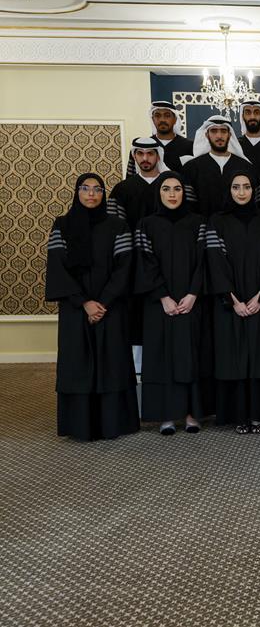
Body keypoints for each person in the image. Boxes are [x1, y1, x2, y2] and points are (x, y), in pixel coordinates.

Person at [45, 173, 138, 441]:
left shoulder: (118, 226)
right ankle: (81, 426)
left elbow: (124, 268)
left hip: (111, 308)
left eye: (97, 189)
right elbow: (58, 267)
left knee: (112, 363)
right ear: (77, 192)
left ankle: (113, 423)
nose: (91, 194)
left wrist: (103, 302)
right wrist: (84, 303)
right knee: (79, 363)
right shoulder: (62, 226)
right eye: (85, 189)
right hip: (77, 309)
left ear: (103, 194)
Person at [205, 170, 260, 434]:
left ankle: (258, 414)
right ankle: (238, 415)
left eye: (246, 186)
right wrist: (232, 300)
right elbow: (214, 263)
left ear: (255, 190)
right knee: (233, 357)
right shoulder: (216, 222)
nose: (241, 192)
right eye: (235, 187)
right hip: (228, 305)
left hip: (259, 304)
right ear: (228, 190)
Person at [134, 171, 209, 435]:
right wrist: (163, 296)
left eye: (177, 189)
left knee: (190, 356)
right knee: (161, 357)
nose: (172, 194)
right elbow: (145, 262)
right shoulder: (146, 225)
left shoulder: (199, 223)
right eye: (166, 189)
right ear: (159, 193)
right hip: (159, 304)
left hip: (191, 302)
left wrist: (192, 294)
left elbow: (203, 262)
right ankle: (166, 415)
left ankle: (190, 414)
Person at [109, 136, 169, 369]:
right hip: (134, 264)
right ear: (134, 157)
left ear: (157, 156)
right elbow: (117, 228)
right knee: (135, 314)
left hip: (165, 262)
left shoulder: (170, 184)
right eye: (140, 154)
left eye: (150, 154)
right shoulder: (123, 189)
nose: (145, 159)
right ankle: (136, 367)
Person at [182, 115, 260, 219]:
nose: (219, 136)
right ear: (207, 135)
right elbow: (188, 205)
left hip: (239, 229)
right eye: (214, 131)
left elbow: (259, 202)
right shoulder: (192, 167)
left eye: (223, 131)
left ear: (229, 135)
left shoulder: (246, 166)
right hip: (203, 229)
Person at [124, 101, 193, 176]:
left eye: (167, 115)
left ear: (175, 119)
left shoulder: (189, 146)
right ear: (153, 119)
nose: (162, 120)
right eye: (157, 116)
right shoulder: (142, 146)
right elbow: (130, 178)